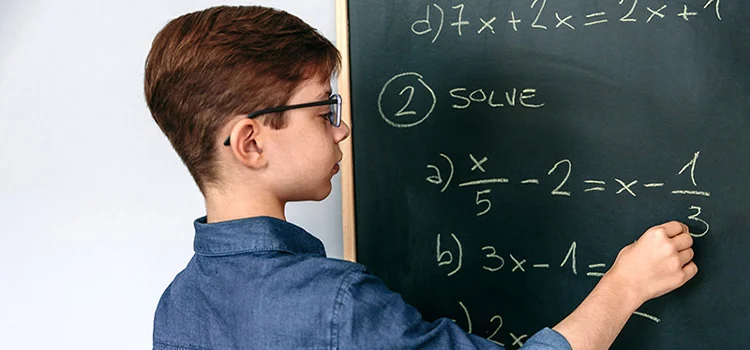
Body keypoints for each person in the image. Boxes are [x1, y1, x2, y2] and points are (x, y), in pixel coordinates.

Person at [144, 5, 697, 350]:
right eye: (323, 111)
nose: (342, 129)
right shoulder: (338, 305)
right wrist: (626, 286)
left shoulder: (178, 305)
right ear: (251, 142)